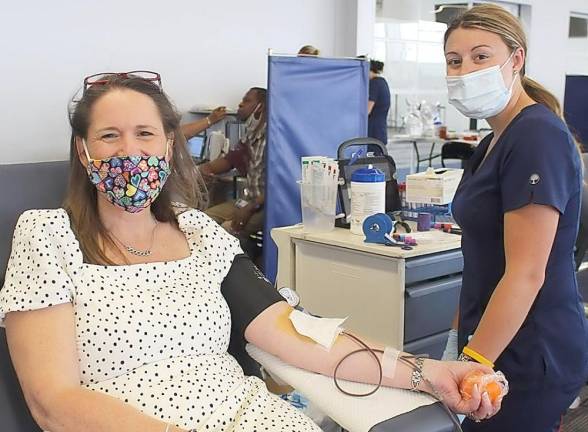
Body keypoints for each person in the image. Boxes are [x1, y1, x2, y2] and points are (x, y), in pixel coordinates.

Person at [0, 72, 500, 432]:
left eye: (145, 133)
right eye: (109, 136)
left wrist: (426, 371)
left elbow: (298, 334)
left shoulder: (200, 234)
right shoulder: (48, 237)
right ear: (84, 152)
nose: (129, 151)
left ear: (169, 145)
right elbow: (53, 401)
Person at [440, 4, 588, 431]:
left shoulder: (536, 136)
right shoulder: (492, 142)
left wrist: (475, 363)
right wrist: (457, 340)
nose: (465, 70)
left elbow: (526, 273)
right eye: (454, 60)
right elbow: (481, 259)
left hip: (530, 351)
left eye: (480, 56)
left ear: (516, 59)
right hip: (491, 335)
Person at [199, 87, 266, 244]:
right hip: (248, 199)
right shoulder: (251, 134)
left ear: (260, 107)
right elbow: (230, 160)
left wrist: (249, 208)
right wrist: (201, 171)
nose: (240, 104)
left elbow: (278, 185)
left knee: (225, 230)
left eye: (247, 101)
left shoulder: (272, 137)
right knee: (202, 220)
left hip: (265, 205)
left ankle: (247, 263)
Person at [367, 59, 391, 145]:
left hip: (373, 133)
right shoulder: (382, 82)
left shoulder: (374, 84)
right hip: (379, 132)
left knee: (372, 157)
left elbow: (367, 111)